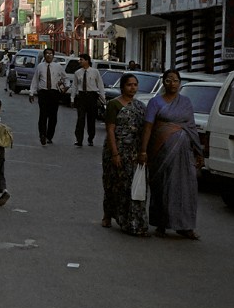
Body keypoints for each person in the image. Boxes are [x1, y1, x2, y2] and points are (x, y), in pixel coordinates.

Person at [140, 69, 203, 240]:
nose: (172, 84)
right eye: (168, 80)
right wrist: (143, 151)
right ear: (164, 82)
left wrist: (199, 152)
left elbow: (191, 128)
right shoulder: (155, 102)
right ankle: (161, 224)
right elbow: (148, 127)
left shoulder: (186, 103)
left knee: (186, 188)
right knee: (162, 187)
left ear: (180, 83)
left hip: (184, 155)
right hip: (161, 153)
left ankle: (185, 227)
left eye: (175, 80)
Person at [102, 73, 149, 236]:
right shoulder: (114, 105)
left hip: (133, 152)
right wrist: (115, 154)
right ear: (122, 87)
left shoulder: (140, 107)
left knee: (130, 186)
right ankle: (107, 215)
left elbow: (145, 130)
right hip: (115, 150)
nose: (133, 88)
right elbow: (110, 129)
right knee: (112, 183)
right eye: (129, 85)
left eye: (135, 85)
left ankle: (130, 220)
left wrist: (143, 151)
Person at [29, 48, 66, 145]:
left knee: (53, 116)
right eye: (47, 54)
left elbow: (65, 78)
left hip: (54, 93)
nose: (49, 55)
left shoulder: (58, 67)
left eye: (51, 54)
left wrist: (64, 87)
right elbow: (35, 80)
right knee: (43, 115)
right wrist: (31, 92)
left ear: (53, 56)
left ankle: (50, 136)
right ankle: (42, 135)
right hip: (43, 93)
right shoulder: (40, 67)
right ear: (44, 56)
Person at [70, 54, 106, 147]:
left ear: (87, 61)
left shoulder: (95, 72)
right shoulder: (77, 73)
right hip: (82, 96)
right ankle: (79, 139)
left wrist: (103, 98)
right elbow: (74, 86)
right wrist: (72, 98)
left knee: (91, 119)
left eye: (81, 60)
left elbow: (100, 85)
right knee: (80, 119)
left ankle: (90, 138)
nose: (80, 61)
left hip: (92, 96)